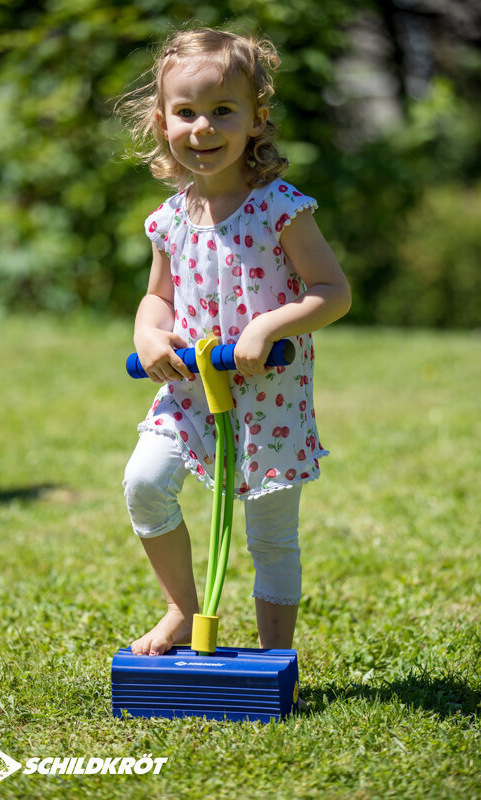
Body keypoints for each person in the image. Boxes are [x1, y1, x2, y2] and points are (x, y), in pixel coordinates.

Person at [119, 27, 351, 657]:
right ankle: (179, 609)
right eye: (186, 112)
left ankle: (277, 651)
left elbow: (333, 290)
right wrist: (147, 332)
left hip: (268, 395)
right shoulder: (169, 217)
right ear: (162, 121)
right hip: (191, 387)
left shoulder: (279, 207)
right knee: (144, 481)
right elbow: (157, 296)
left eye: (223, 110)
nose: (203, 127)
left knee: (271, 536)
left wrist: (269, 325)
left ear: (257, 121)